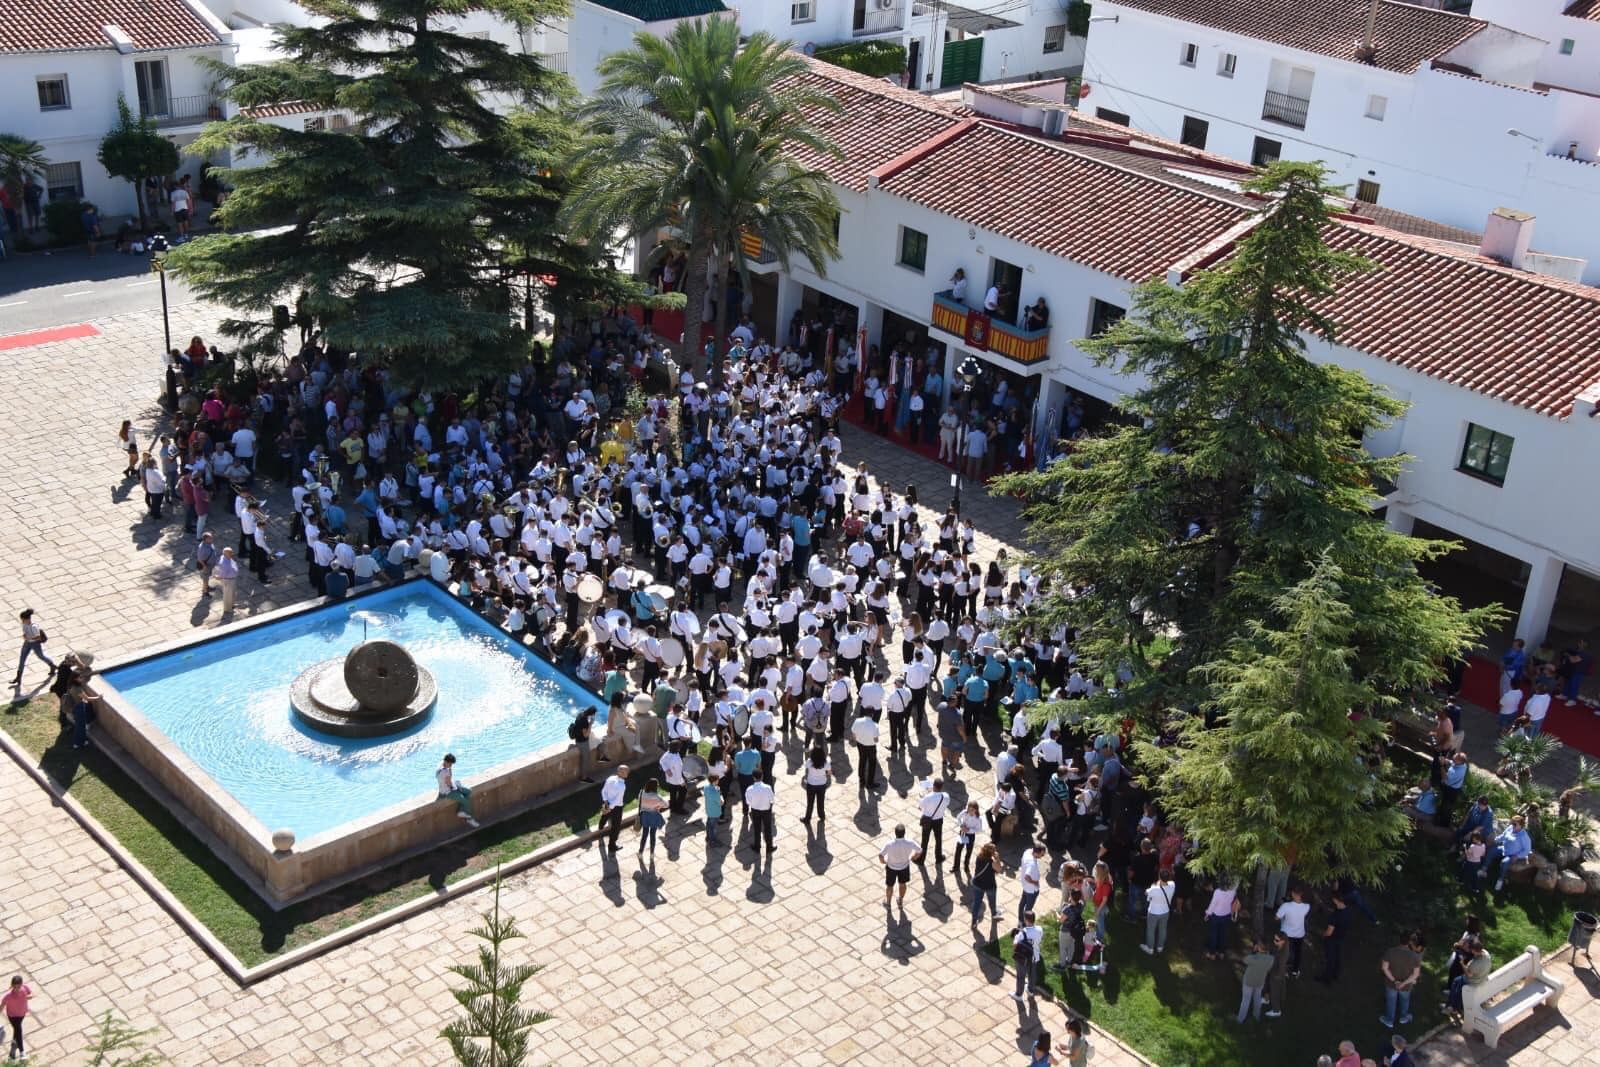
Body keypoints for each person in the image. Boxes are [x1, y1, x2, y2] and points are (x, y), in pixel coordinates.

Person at [1378, 931, 1422, 1029]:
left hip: (1391, 984)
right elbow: (1416, 974)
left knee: (1391, 1002)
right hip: (1406, 986)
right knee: (1405, 1001)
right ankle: (1403, 1018)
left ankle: (1389, 1020)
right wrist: (1403, 983)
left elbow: (1384, 968)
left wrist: (1395, 981)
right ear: (1410, 942)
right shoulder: (1415, 956)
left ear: (1399, 940)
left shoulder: (1390, 951)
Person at [1443, 937, 1490, 1017]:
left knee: (1457, 984)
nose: (1471, 951)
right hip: (1482, 978)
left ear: (1474, 950)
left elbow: (1468, 974)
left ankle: (1452, 1008)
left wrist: (1462, 963)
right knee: (1457, 982)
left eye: (1472, 950)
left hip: (1473, 981)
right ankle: (1452, 1005)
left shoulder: (1475, 964)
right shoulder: (1486, 954)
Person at [1486, 814, 1533, 891]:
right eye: (1512, 823)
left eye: (1514, 824)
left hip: (1512, 854)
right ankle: (1483, 870)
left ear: (1521, 825)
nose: (1512, 825)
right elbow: (1503, 836)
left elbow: (1527, 850)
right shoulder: (1510, 828)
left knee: (1504, 863)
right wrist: (1495, 840)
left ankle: (1500, 880)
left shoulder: (1524, 836)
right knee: (1491, 851)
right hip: (1504, 848)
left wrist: (1517, 856)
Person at [879, 823, 923, 906]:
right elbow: (920, 850)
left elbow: (881, 855)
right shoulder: (910, 842)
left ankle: (888, 903)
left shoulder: (890, 844)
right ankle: (900, 900)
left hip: (891, 868)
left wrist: (884, 861)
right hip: (904, 868)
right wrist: (914, 857)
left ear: (895, 833)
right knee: (902, 884)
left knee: (890, 886)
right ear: (904, 833)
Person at [12, 609, 56, 688]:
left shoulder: (34, 626)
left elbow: (38, 637)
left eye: (23, 620)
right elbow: (25, 632)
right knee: (22, 659)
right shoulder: (24, 625)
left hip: (35, 644)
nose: (22, 621)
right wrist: (25, 636)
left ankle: (52, 665)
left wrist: (29, 638)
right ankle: (18, 677)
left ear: (28, 619)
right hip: (27, 643)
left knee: (41, 656)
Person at [1316, 891, 1351, 983]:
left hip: (1332, 940)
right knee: (1338, 957)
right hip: (1342, 938)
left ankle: (1327, 978)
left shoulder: (1335, 915)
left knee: (1330, 959)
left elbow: (1329, 932)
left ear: (1336, 900)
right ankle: (1336, 974)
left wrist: (1322, 933)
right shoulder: (1348, 911)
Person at [1276, 886, 1311, 976]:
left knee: (1285, 953)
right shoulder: (1307, 906)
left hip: (1286, 934)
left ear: (1293, 894)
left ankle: (1284, 970)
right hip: (1299, 934)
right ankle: (1295, 970)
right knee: (1297, 953)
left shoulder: (1286, 906)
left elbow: (1277, 917)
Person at [436, 754, 479, 826]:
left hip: (448, 787)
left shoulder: (440, 765)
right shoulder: (445, 771)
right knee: (465, 801)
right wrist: (457, 789)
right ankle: (470, 819)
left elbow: (448, 780)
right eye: (450, 764)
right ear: (446, 762)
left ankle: (461, 811)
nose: (451, 766)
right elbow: (449, 783)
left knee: (468, 791)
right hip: (447, 792)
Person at [1204, 877, 1241, 960]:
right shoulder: (1233, 891)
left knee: (1213, 935)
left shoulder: (1218, 892)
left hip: (1216, 916)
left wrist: (1207, 914)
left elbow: (1212, 904)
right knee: (1223, 934)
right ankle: (1221, 953)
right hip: (1227, 915)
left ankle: (1212, 953)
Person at [1237, 939, 1274, 1023]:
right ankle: (1256, 1016)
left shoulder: (1253, 957)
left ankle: (1240, 1020)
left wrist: (1253, 951)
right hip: (1260, 982)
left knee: (1245, 1001)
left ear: (1259, 948)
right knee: (1257, 999)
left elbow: (1245, 960)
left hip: (1248, 982)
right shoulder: (1271, 959)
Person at [1011, 910, 1044, 1002]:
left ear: (1026, 920)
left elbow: (1015, 945)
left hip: (1023, 958)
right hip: (1035, 956)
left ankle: (1018, 995)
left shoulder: (1022, 933)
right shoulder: (1040, 929)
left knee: (1021, 976)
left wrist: (1015, 937)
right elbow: (1040, 939)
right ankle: (1030, 990)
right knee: (1032, 974)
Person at [1141, 867, 1174, 954]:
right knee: (1163, 929)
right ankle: (1160, 947)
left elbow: (1146, 893)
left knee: (1151, 930)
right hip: (1165, 911)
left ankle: (1150, 948)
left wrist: (1154, 885)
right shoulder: (1172, 885)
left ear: (1159, 877)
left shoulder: (1154, 889)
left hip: (1153, 912)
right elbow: (1170, 882)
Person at [918, 777, 950, 865]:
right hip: (939, 820)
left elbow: (920, 806)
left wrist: (925, 795)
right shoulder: (946, 796)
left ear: (933, 786)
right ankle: (938, 857)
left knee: (925, 841)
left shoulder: (928, 797)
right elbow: (946, 804)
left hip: (928, 820)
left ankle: (921, 859)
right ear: (941, 787)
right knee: (938, 839)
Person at [744, 770, 776, 855]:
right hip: (766, 811)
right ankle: (769, 847)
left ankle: (757, 847)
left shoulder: (749, 789)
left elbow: (748, 802)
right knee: (768, 829)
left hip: (755, 811)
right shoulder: (768, 787)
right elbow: (772, 799)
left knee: (757, 829)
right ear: (762, 777)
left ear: (753, 778)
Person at [850, 707, 880, 791]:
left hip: (860, 745)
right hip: (871, 747)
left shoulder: (857, 721)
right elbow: (876, 740)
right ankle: (870, 783)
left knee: (862, 761)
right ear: (872, 714)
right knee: (872, 764)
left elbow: (853, 733)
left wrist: (858, 739)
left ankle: (862, 781)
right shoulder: (875, 726)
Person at [600, 764, 629, 850]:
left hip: (607, 802)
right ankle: (612, 846)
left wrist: (606, 803)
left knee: (604, 815)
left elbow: (603, 791)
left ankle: (601, 826)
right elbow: (617, 801)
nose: (628, 773)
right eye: (627, 771)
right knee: (616, 827)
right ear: (623, 773)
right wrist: (610, 808)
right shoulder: (622, 786)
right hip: (616, 808)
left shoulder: (610, 778)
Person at [971, 841, 1000, 925]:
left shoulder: (979, 857)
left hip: (978, 884)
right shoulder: (991, 862)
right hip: (990, 886)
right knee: (992, 902)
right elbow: (999, 869)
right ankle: (994, 914)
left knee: (977, 903)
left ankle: (974, 921)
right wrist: (997, 859)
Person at [801, 746, 832, 823]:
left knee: (810, 803)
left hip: (811, 785)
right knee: (821, 802)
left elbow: (806, 768)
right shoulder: (826, 763)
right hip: (822, 785)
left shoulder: (809, 762)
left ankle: (807, 819)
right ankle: (822, 816)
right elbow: (829, 773)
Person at [637, 777, 667, 856]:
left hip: (645, 816)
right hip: (654, 816)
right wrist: (658, 806)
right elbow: (666, 804)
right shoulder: (657, 796)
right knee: (652, 835)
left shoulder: (641, 792)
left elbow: (639, 803)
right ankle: (652, 854)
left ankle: (640, 852)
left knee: (644, 835)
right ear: (655, 787)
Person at [952, 800, 983, 875]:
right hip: (963, 833)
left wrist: (969, 830)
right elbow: (958, 817)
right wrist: (961, 825)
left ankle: (966, 866)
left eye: (972, 810)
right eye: (969, 809)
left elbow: (979, 830)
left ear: (976, 810)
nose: (970, 811)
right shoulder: (965, 812)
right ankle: (956, 866)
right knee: (958, 850)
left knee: (968, 852)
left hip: (970, 836)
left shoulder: (978, 819)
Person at [3, 976, 29, 1062]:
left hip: (22, 1014)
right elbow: (2, 1005)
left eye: (18, 987)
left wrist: (29, 997)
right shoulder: (8, 996)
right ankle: (22, 1052)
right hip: (12, 1016)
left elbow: (31, 993)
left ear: (21, 984)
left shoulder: (25, 988)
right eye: (14, 987)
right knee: (18, 1029)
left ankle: (13, 1049)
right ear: (12, 985)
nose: (16, 989)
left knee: (16, 1030)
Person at [571, 707, 600, 782]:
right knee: (585, 760)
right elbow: (586, 735)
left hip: (578, 740)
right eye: (595, 714)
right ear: (592, 714)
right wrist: (590, 723)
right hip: (582, 743)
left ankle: (584, 776)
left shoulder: (581, 713)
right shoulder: (584, 721)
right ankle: (584, 778)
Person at [1018, 840, 1044, 921]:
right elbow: (1027, 876)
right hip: (1031, 889)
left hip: (1025, 886)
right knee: (1028, 908)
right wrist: (1035, 882)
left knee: (1022, 903)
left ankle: (1020, 919)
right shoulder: (1031, 864)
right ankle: (1026, 922)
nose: (1042, 856)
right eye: (1042, 854)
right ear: (1037, 852)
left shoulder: (1028, 851)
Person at [701, 773, 724, 848]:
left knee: (708, 824)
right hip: (715, 812)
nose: (718, 781)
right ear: (714, 781)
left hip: (709, 810)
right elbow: (721, 803)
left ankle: (708, 837)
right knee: (713, 827)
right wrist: (721, 795)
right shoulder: (715, 792)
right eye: (718, 780)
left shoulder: (706, 787)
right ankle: (712, 841)